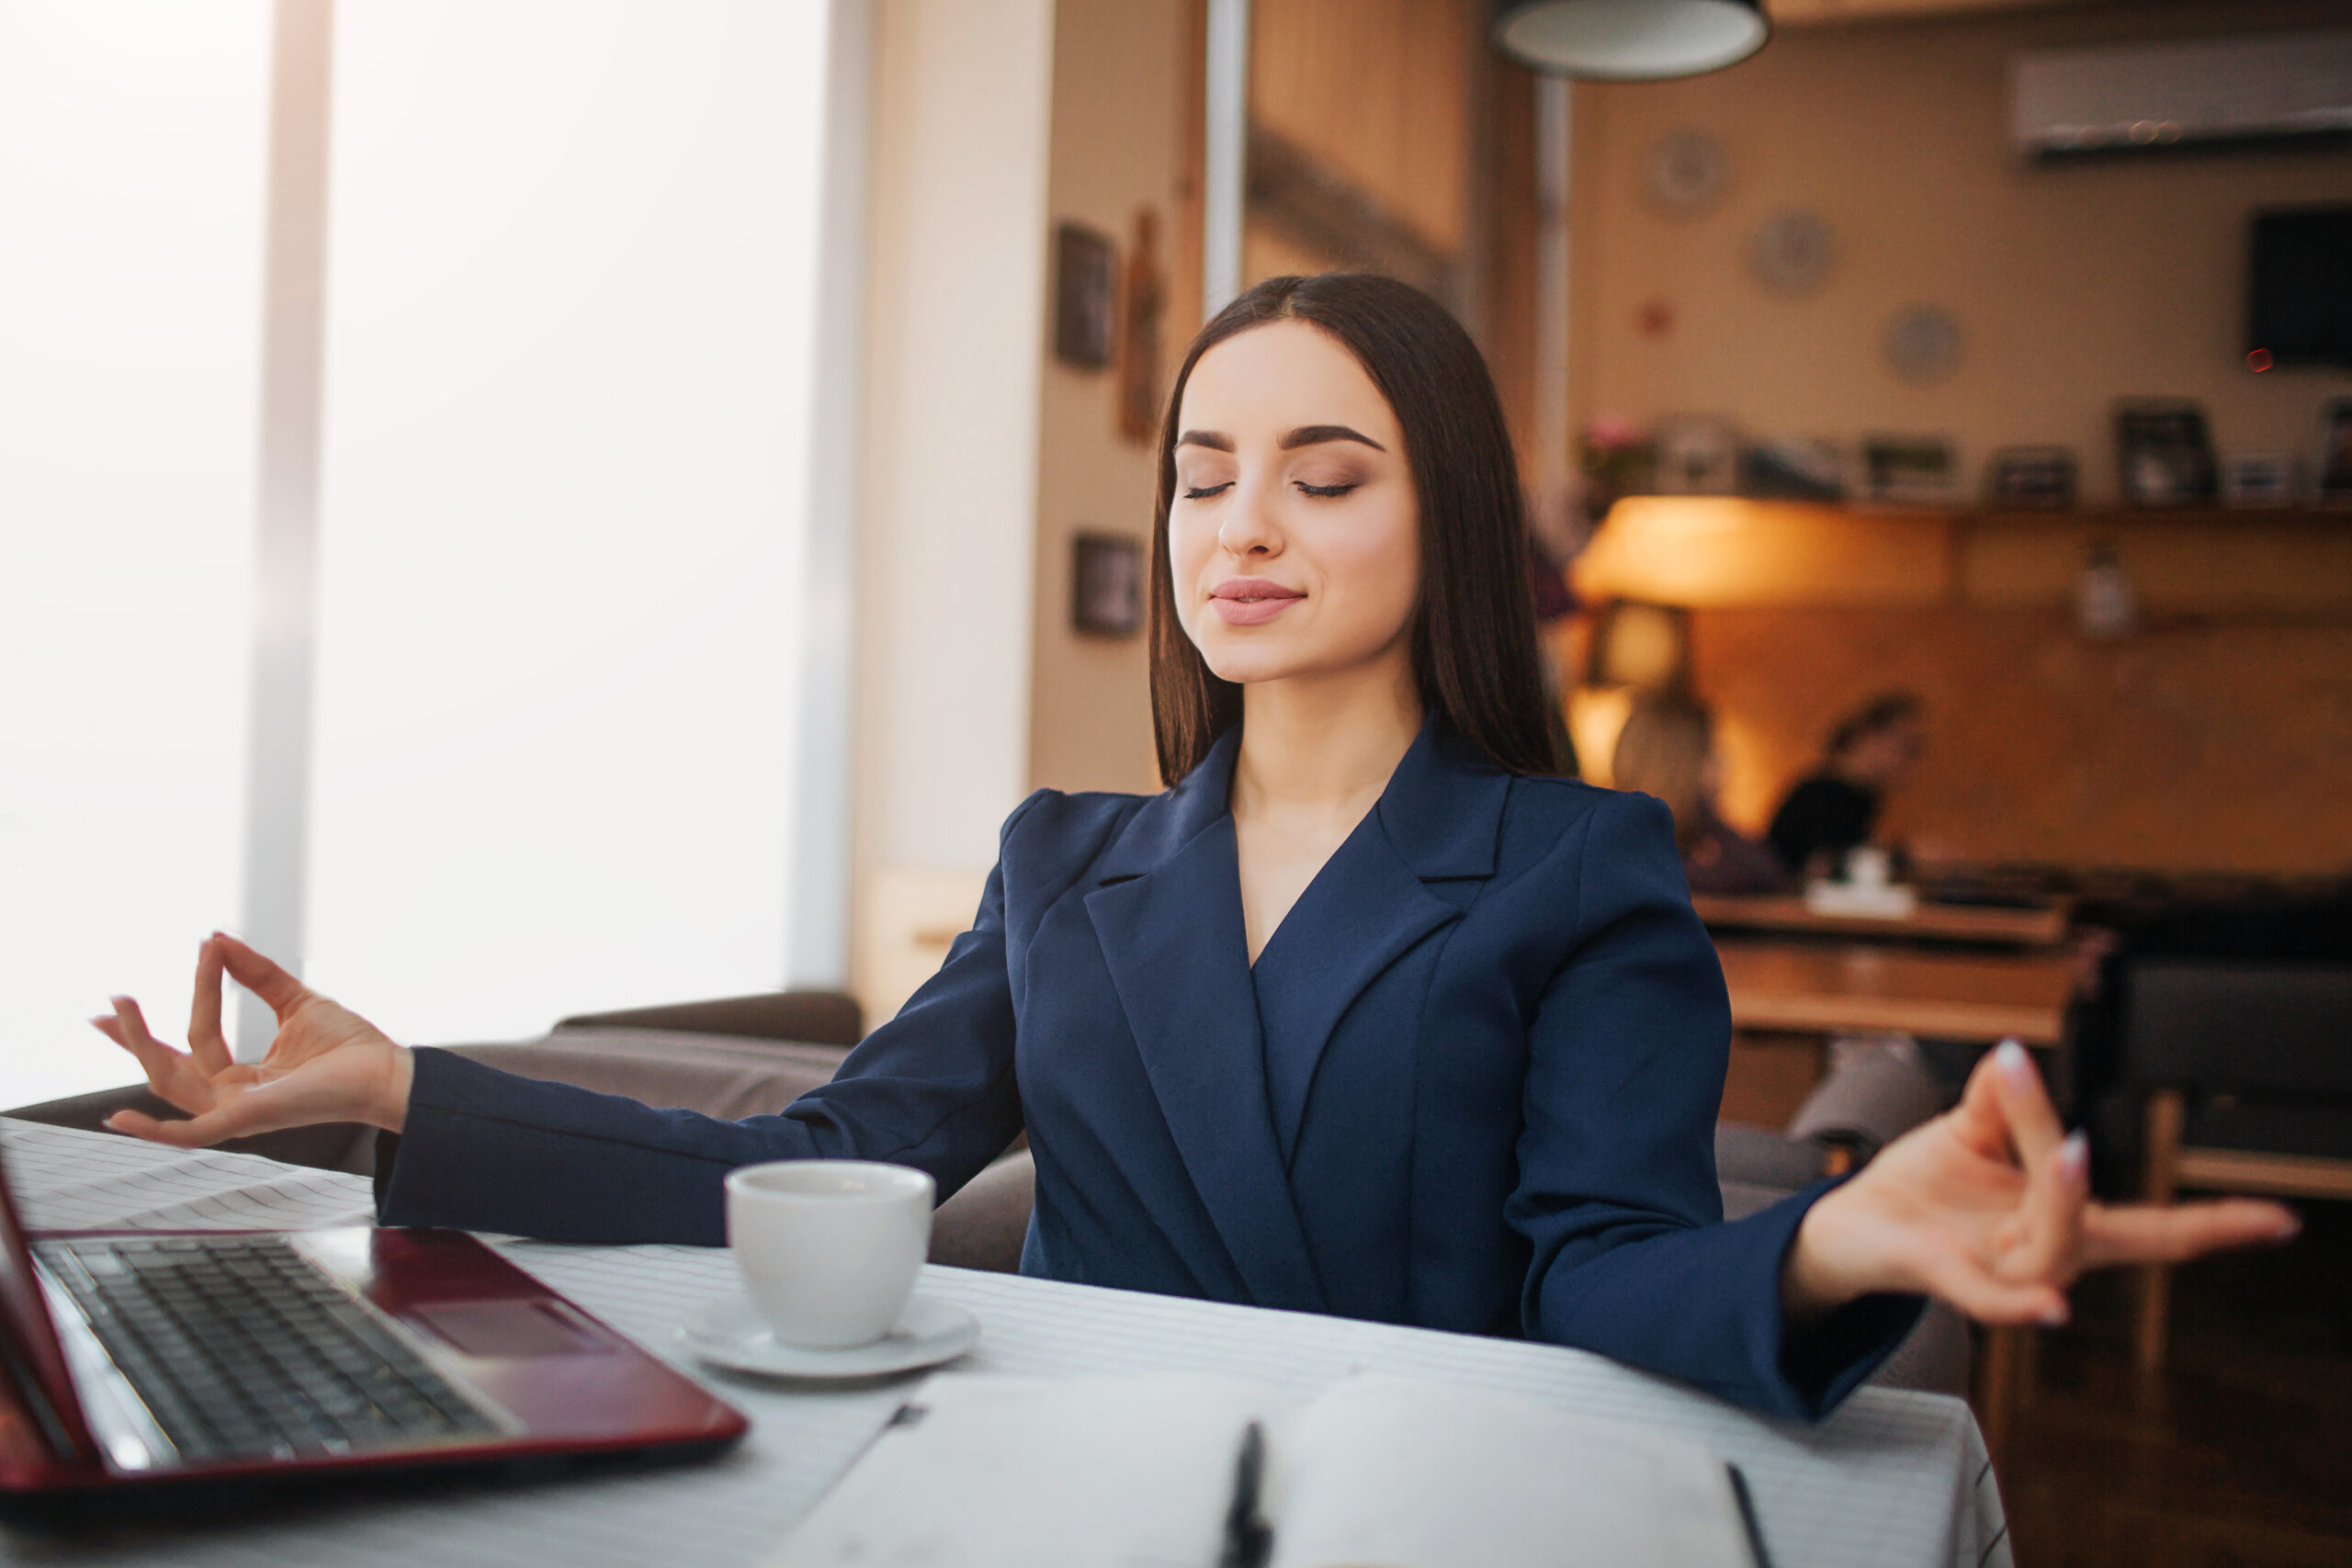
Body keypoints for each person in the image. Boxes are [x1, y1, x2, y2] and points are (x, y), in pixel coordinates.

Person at [95, 275, 2292, 1423]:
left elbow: (1598, 1262)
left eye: (1323, 473)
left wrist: (1829, 1242)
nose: (1240, 525)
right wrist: (402, 1090)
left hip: (1407, 1499)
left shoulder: (1572, 862)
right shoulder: (1063, 861)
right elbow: (837, 1143)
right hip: (1052, 1489)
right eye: (1204, 473)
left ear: (1440, 514)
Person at [1610, 692, 1784, 896]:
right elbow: (1768, 874)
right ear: (1685, 763)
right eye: (1714, 751)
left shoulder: (1601, 843)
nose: (1726, 767)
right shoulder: (1726, 859)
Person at [1766, 690, 1924, 879]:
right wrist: (1902, 856)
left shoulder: (1864, 798)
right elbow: (1819, 867)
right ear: (1866, 735)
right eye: (1904, 747)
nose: (1908, 762)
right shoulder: (1820, 795)